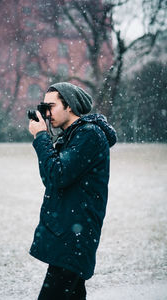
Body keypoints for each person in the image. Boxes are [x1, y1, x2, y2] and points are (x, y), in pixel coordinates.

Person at [28, 82, 117, 300]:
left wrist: (41, 137)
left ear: (69, 106)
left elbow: (56, 175)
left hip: (74, 240)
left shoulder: (89, 135)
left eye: (51, 106)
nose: (46, 114)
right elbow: (51, 178)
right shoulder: (72, 136)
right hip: (68, 236)